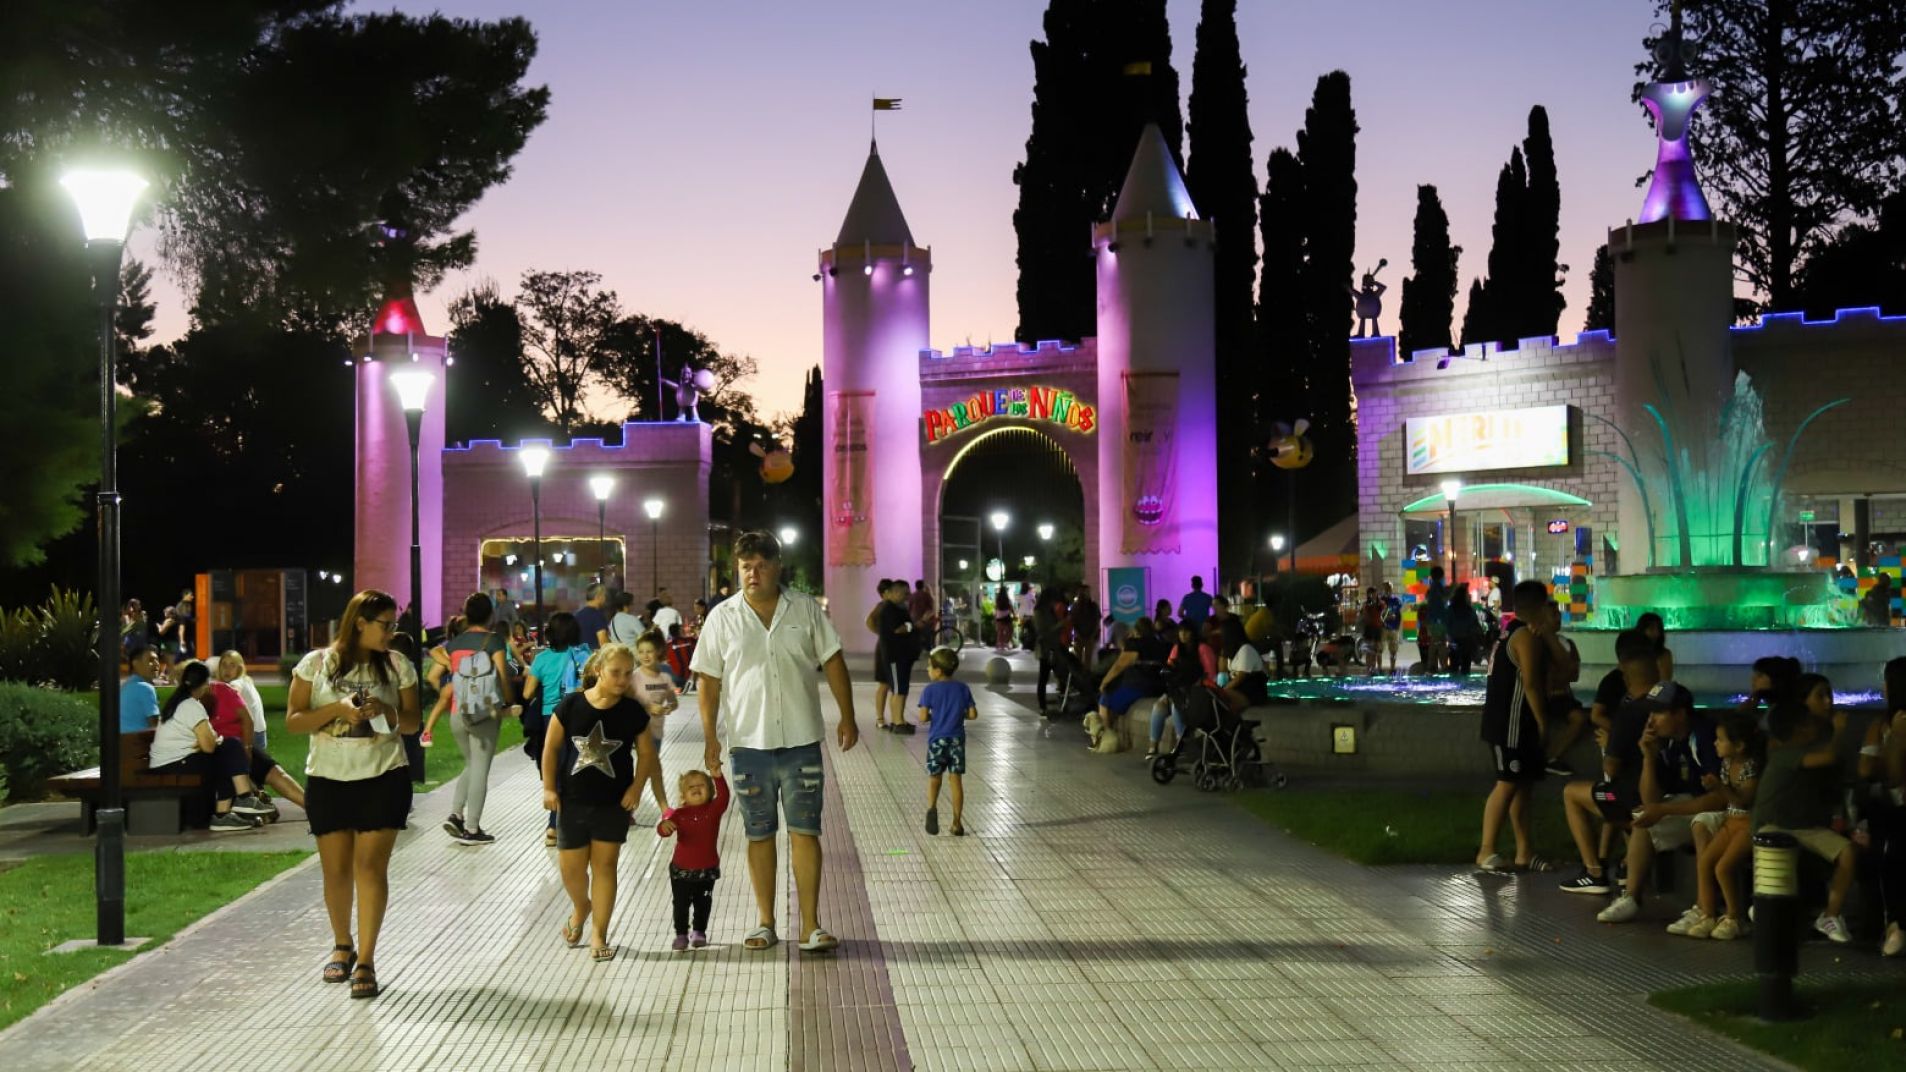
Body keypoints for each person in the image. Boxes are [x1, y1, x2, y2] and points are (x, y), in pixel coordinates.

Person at [691, 530, 859, 953]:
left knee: (806, 831)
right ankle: (765, 921)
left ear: (776, 566)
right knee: (759, 833)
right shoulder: (722, 617)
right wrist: (711, 736)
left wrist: (848, 715)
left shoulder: (804, 609)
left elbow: (833, 660)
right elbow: (708, 681)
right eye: (746, 566)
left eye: (762, 565)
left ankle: (811, 924)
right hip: (748, 743)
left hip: (801, 738)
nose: (753, 573)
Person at [285, 589, 420, 999]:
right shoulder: (316, 664)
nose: (391, 632)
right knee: (336, 870)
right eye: (385, 624)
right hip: (328, 778)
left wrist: (388, 710)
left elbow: (412, 723)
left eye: (393, 625)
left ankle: (367, 960)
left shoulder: (398, 665)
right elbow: (293, 722)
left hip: (383, 776)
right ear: (360, 621)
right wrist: (337, 711)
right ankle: (342, 944)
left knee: (370, 869)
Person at [543, 642, 658, 962]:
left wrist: (636, 788)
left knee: (605, 866)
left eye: (627, 674)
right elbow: (550, 749)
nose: (622, 680)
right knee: (571, 869)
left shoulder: (633, 712)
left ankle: (599, 933)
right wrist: (549, 788)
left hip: (612, 803)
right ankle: (581, 906)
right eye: (615, 673)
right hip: (572, 801)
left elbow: (647, 755)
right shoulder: (571, 705)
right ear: (597, 671)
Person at [1593, 681, 1726, 924]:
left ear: (1680, 714)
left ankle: (1704, 909)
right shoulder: (1670, 742)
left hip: (1725, 810)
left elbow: (1719, 798)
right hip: (1695, 804)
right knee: (1643, 817)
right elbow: (1650, 800)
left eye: (1659, 712)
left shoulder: (1704, 736)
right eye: (1650, 712)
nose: (1651, 720)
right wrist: (1648, 756)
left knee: (1698, 822)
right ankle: (1631, 898)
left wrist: (1664, 809)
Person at [1751, 676, 1860, 943]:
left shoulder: (1813, 739)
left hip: (1806, 825)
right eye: (1820, 696)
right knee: (1778, 855)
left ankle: (1830, 915)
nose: (1829, 702)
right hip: (1775, 824)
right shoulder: (1785, 750)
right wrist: (1838, 732)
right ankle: (1767, 906)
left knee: (1846, 853)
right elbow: (1827, 758)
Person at [1475, 580, 1556, 872]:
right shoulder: (1524, 638)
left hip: (1509, 722)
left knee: (1521, 788)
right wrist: (1543, 722)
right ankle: (1486, 851)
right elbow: (1532, 685)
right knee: (1507, 784)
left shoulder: (1510, 632)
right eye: (1547, 605)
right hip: (1511, 724)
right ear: (1539, 607)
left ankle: (1524, 852)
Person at [1666, 711, 1764, 939]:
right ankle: (1707, 914)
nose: (1714, 743)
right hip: (1731, 821)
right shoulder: (1727, 763)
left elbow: (1743, 799)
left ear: (1739, 745)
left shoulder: (1751, 766)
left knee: (1723, 867)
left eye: (1720, 740)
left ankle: (1734, 916)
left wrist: (1719, 787)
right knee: (1705, 862)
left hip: (1748, 824)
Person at [148, 661, 277, 832]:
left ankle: (229, 811)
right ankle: (240, 801)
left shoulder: (178, 703)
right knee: (228, 749)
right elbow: (209, 746)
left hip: (170, 762)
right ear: (205, 684)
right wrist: (214, 740)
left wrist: (212, 740)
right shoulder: (191, 705)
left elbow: (206, 741)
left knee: (228, 748)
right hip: (173, 764)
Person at [441, 593, 519, 846]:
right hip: (483, 712)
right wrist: (508, 699)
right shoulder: (493, 640)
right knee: (480, 770)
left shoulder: (454, 643)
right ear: (490, 614)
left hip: (457, 712)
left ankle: (455, 814)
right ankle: (472, 829)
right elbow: (502, 674)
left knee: (471, 764)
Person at [525, 612, 593, 846]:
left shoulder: (542, 659)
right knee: (577, 766)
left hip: (549, 718)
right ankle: (572, 821)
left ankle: (553, 825)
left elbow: (526, 693)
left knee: (554, 767)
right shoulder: (583, 655)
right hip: (577, 715)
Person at [1857, 657, 1906, 956]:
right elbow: (1865, 770)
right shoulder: (1882, 724)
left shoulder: (1892, 725)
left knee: (1890, 852)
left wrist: (1897, 741)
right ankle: (1893, 925)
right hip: (1890, 812)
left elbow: (1891, 774)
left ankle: (1895, 925)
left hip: (1896, 813)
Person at [657, 768, 729, 951]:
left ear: (710, 791)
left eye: (701, 785)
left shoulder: (714, 810)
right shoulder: (679, 815)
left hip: (707, 870)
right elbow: (663, 829)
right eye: (691, 787)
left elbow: (724, 797)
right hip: (680, 870)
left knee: (703, 902)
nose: (696, 788)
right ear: (683, 795)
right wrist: (664, 827)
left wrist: (717, 776)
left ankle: (699, 931)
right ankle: (681, 933)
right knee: (680, 904)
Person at [916, 646, 978, 836]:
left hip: (937, 741)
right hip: (957, 740)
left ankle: (932, 808)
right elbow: (973, 714)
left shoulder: (930, 690)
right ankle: (957, 823)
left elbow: (923, 717)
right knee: (955, 780)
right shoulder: (963, 688)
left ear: (938, 670)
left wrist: (935, 715)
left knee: (935, 777)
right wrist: (957, 714)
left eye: (929, 667)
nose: (927, 670)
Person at [1090, 617, 1168, 753]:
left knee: (1105, 699)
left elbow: (1120, 665)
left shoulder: (1135, 644)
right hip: (1158, 686)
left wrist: (1105, 682)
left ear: (1136, 631)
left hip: (1139, 685)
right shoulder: (1161, 643)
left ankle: (1105, 740)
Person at [629, 631, 678, 814]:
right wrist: (647, 707)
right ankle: (664, 808)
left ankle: (629, 809)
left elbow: (673, 701)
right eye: (641, 651)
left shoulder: (664, 678)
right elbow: (628, 702)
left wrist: (668, 707)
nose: (645, 656)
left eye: (649, 651)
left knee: (648, 769)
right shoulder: (634, 678)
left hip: (656, 732)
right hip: (637, 734)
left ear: (658, 652)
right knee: (653, 769)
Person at [875, 579, 919, 733]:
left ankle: (899, 719)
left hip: (903, 656)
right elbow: (898, 629)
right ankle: (897, 722)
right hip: (895, 656)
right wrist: (912, 626)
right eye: (904, 593)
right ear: (895, 592)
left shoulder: (899, 607)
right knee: (898, 690)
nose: (907, 596)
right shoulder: (888, 609)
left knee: (902, 689)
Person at [215, 650, 268, 753]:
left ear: (239, 669)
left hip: (251, 735)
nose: (227, 669)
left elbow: (233, 690)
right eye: (224, 665)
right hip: (259, 732)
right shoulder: (247, 681)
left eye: (232, 665)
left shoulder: (238, 682)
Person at [1033, 589, 1065, 714]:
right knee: (1043, 677)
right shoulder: (1039, 612)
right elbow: (1043, 631)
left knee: (1061, 674)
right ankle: (1042, 706)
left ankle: (1061, 700)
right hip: (1045, 648)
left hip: (1054, 647)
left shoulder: (1050, 611)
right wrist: (1060, 625)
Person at [120, 645, 163, 733]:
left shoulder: (125, 686)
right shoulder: (145, 688)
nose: (156, 664)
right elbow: (155, 727)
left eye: (157, 659)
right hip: (139, 743)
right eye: (151, 660)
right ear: (135, 663)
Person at [1447, 585, 1483, 676]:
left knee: (1454, 667)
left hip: (1454, 640)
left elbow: (1447, 624)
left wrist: (1449, 637)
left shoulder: (1451, 609)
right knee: (1466, 668)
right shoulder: (1469, 610)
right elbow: (1474, 625)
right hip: (1467, 640)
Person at [1068, 584, 1101, 663]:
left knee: (1087, 658)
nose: (1085, 594)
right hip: (1080, 636)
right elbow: (1072, 622)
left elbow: (1097, 621)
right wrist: (1078, 634)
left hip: (1089, 636)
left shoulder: (1093, 606)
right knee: (1079, 658)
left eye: (1087, 592)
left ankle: (1085, 673)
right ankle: (1081, 673)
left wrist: (1092, 635)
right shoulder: (1075, 607)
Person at [574, 583, 612, 650]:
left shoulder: (577, 614)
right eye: (604, 595)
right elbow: (603, 642)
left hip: (580, 656)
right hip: (593, 656)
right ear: (598, 596)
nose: (605, 598)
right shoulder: (597, 615)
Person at [1379, 582, 1404, 675]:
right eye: (1386, 588)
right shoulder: (1381, 600)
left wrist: (1397, 626)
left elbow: (1399, 613)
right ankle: (1380, 668)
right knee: (1380, 649)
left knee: (1393, 650)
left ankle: (1392, 668)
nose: (1388, 590)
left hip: (1393, 628)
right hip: (1383, 628)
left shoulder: (1396, 600)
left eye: (1389, 588)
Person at [992, 584, 1013, 651]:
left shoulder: (998, 599)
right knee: (1010, 630)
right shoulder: (1007, 599)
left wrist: (995, 617)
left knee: (1000, 631)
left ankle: (1000, 644)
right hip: (1006, 616)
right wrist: (1013, 613)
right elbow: (1010, 607)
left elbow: (996, 607)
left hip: (999, 616)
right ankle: (1005, 643)